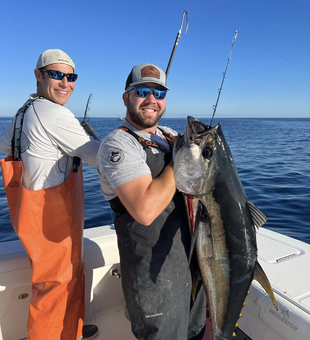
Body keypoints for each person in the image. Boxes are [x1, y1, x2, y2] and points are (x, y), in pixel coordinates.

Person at [96, 63, 207, 340]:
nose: (151, 100)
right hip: (153, 280)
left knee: (196, 332)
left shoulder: (170, 136)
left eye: (159, 94)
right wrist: (182, 161)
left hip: (191, 266)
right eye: (142, 91)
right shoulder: (118, 144)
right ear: (126, 97)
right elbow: (144, 211)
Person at [0, 49, 100, 340]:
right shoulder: (54, 113)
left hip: (30, 216)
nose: (65, 82)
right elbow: (98, 157)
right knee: (56, 287)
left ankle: (72, 331)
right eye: (56, 74)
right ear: (38, 75)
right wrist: (91, 138)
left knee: (53, 283)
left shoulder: (23, 113)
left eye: (71, 76)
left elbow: (6, 147)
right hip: (52, 220)